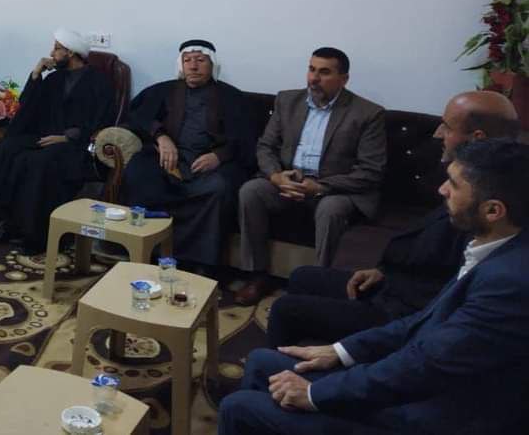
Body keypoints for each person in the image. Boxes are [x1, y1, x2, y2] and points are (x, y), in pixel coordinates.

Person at [218, 138, 529, 435]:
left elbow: (423, 367)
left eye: (454, 185)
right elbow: (421, 323)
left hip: (431, 416)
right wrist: (341, 351)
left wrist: (314, 394)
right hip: (415, 384)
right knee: (261, 361)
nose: (441, 189)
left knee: (238, 407)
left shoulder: (509, 284)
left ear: (493, 210)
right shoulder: (494, 246)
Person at [266, 90, 520, 347]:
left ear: (477, 138)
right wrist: (382, 272)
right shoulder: (477, 177)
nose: (437, 133)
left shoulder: (486, 201)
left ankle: (278, 368)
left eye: (447, 126)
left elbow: (445, 293)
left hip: (401, 313)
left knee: (285, 309)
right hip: (395, 283)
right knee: (303, 276)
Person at [235, 47, 386, 305]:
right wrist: (276, 176)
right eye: (311, 69)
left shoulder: (368, 113)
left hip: (334, 190)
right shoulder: (287, 100)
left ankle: (318, 284)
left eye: (324, 72)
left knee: (330, 209)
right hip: (288, 182)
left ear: (344, 79)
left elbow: (371, 171)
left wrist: (319, 186)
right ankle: (257, 275)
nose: (314, 78)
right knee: (251, 191)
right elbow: (266, 146)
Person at [119, 40, 256, 272]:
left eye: (200, 60)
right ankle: (145, 250)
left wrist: (219, 156)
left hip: (208, 165)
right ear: (181, 65)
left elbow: (246, 138)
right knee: (138, 172)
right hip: (167, 161)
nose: (193, 66)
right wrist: (161, 136)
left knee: (220, 187)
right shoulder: (163, 90)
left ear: (213, 65)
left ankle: (198, 263)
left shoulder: (232, 97)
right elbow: (137, 116)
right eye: (187, 60)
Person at [0, 28, 115, 254]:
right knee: (3, 150)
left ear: (70, 52)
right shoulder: (54, 78)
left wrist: (66, 137)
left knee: (36, 162)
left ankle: (37, 235)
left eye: (56, 48)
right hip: (45, 136)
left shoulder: (98, 81)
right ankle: (8, 222)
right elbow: (28, 109)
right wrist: (36, 75)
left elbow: (102, 120)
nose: (51, 53)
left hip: (76, 144)